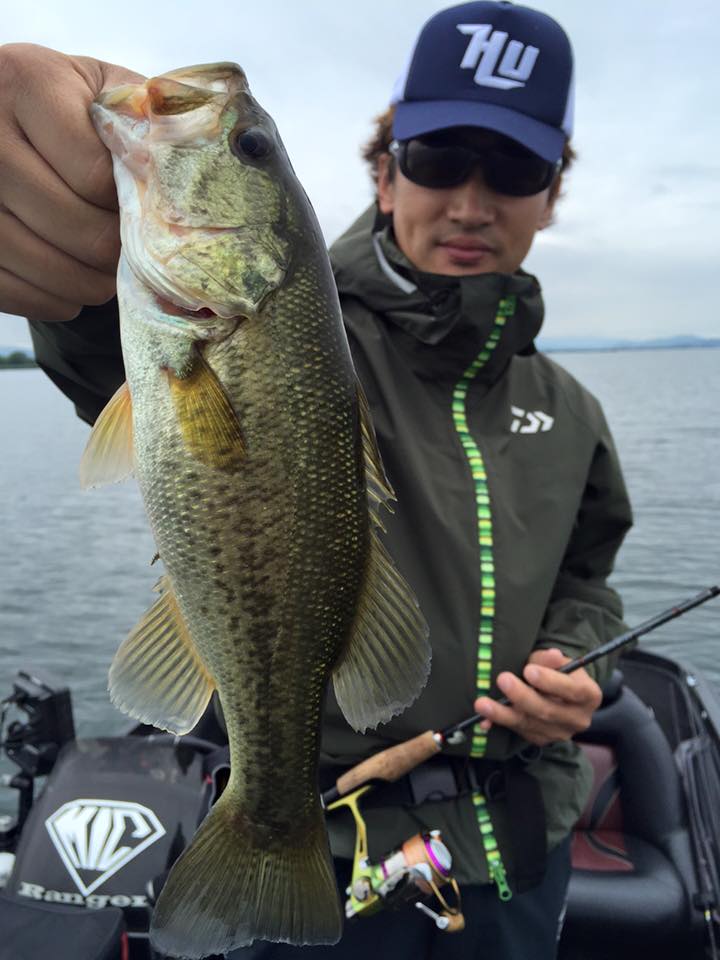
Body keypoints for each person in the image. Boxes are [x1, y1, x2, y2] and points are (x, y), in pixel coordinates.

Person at [0, 2, 632, 958]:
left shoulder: (573, 411)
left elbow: (588, 582)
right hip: (338, 840)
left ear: (551, 197)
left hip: (515, 847)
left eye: (513, 172)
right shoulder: (284, 317)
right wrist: (51, 182)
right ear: (384, 173)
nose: (470, 204)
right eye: (438, 160)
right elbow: (97, 337)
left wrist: (578, 664)